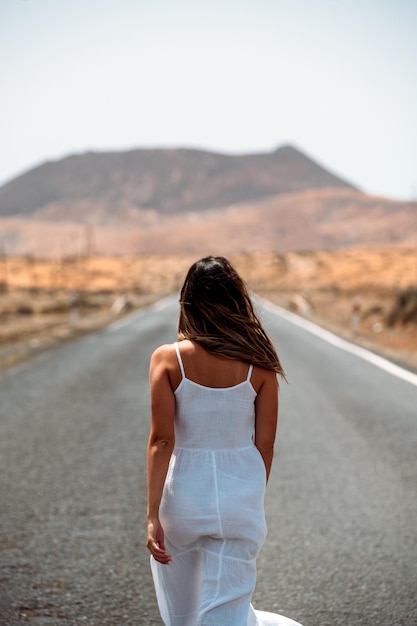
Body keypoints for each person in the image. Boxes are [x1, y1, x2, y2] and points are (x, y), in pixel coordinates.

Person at [146, 256, 303, 626]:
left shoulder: (168, 360)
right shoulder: (260, 364)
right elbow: (265, 445)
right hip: (238, 498)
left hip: (182, 498)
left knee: (182, 614)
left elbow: (162, 441)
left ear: (188, 300)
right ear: (237, 301)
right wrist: (248, 492)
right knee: (228, 613)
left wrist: (153, 515)